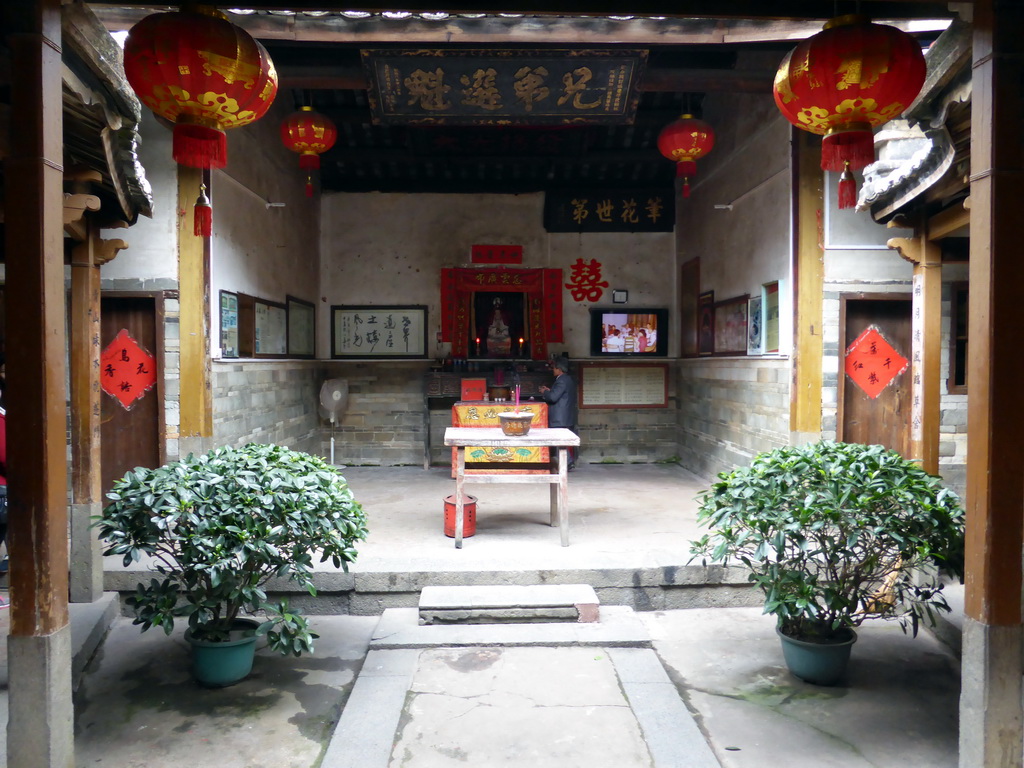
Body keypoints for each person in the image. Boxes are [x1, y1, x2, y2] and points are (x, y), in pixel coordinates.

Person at [538, 355, 578, 470]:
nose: (553, 370)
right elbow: (560, 395)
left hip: (559, 418)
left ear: (559, 369)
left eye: (554, 368)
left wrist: (544, 392)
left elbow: (553, 398)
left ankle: (568, 462)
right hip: (566, 416)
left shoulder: (561, 380)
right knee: (561, 443)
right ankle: (567, 462)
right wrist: (550, 391)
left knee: (558, 442)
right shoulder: (568, 379)